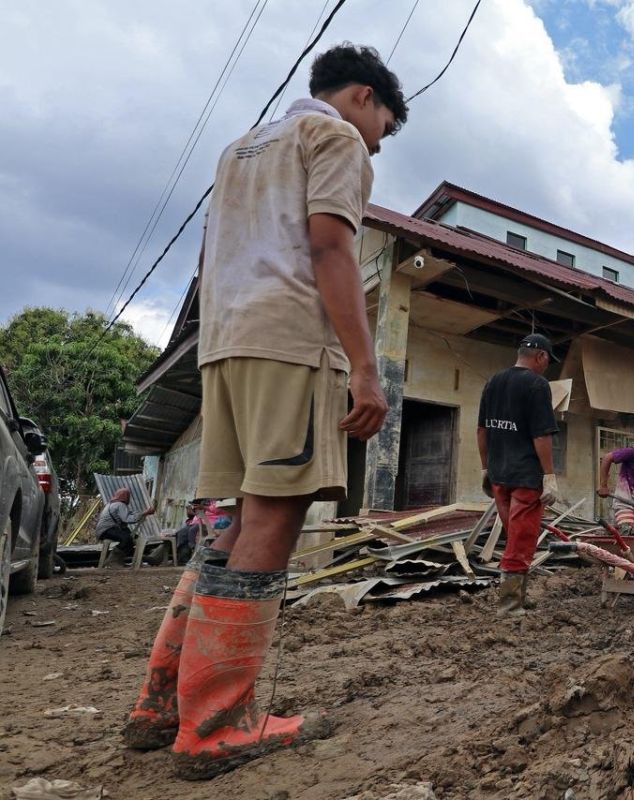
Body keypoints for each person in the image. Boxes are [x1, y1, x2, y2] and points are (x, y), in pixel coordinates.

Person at [122, 44, 408, 780]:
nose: (379, 139)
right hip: (288, 344)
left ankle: (163, 703)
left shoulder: (240, 149)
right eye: (385, 123)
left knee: (240, 518)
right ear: (362, 97)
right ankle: (216, 725)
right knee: (276, 518)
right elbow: (329, 246)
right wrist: (367, 369)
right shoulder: (335, 137)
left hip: (223, 345)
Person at [477, 333, 561, 615]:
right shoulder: (537, 385)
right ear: (541, 357)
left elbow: (482, 430)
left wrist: (486, 467)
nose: (546, 367)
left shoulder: (493, 382)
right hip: (525, 476)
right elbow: (541, 435)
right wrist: (548, 475)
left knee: (514, 537)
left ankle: (517, 597)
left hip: (499, 475)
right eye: (547, 361)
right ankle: (509, 605)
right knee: (521, 540)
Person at [95, 488, 156, 565]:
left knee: (133, 537)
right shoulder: (120, 505)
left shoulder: (111, 504)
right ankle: (112, 560)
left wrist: (142, 513)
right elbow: (127, 519)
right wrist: (145, 513)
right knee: (127, 539)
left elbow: (129, 514)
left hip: (103, 531)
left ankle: (137, 559)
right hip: (107, 529)